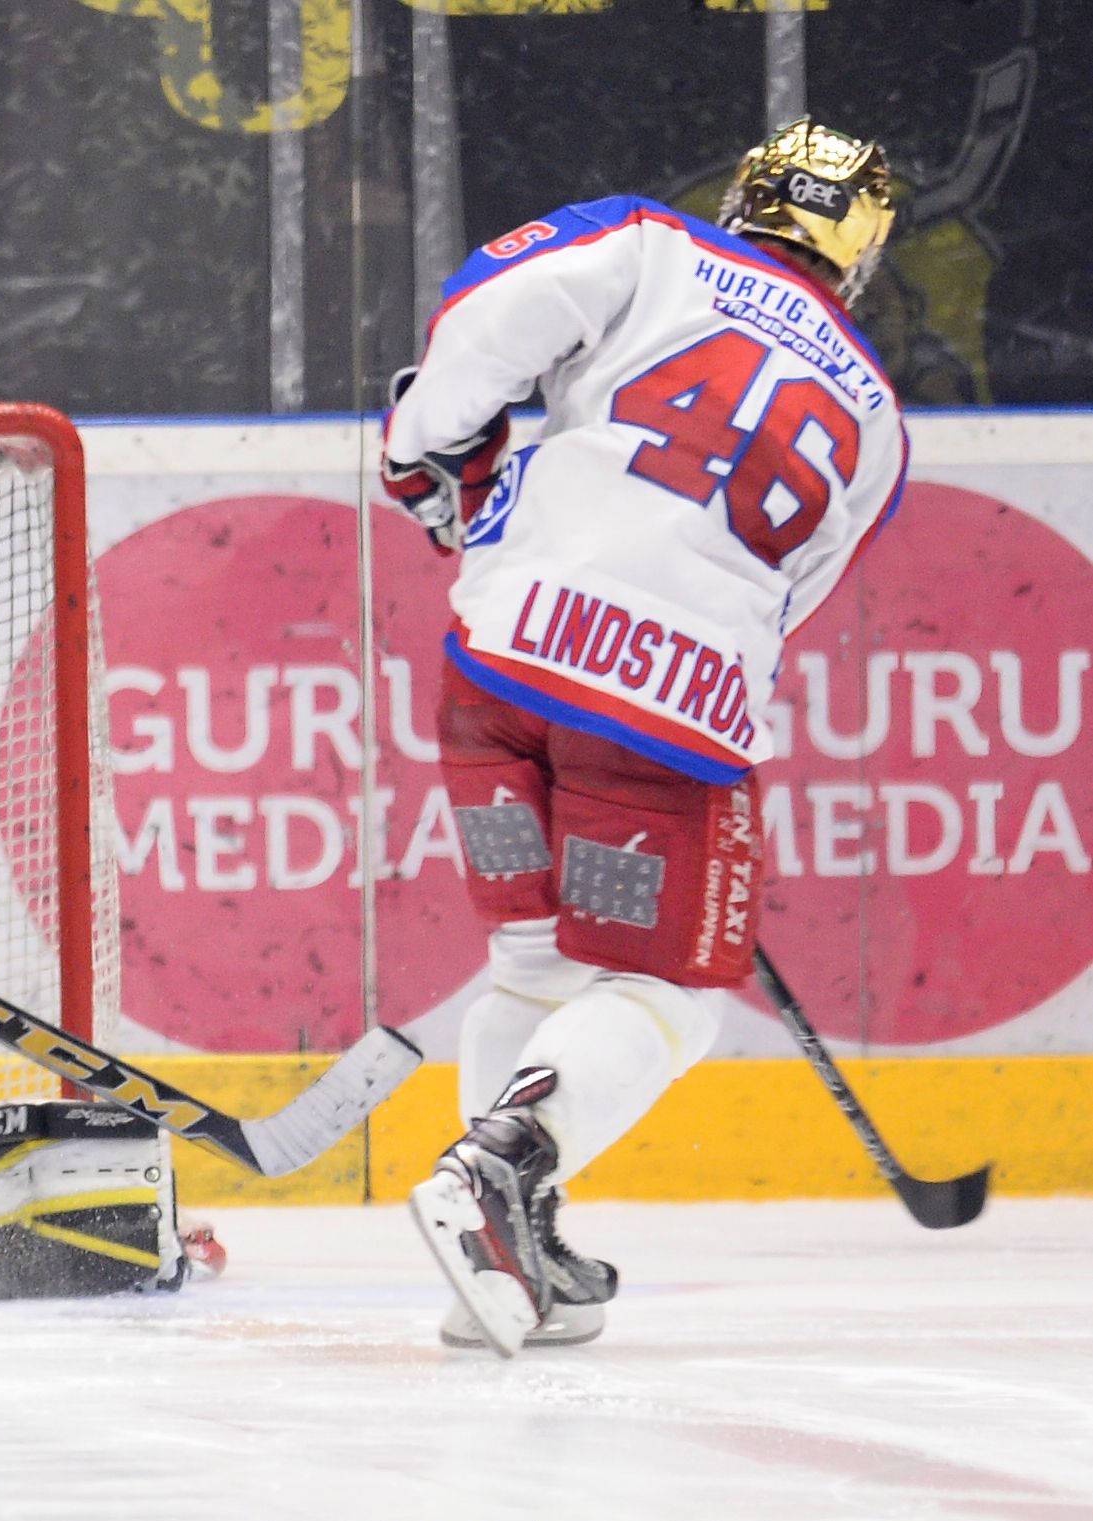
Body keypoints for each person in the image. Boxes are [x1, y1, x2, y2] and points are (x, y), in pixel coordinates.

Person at [381, 118, 906, 1356]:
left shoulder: (649, 241)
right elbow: (788, 603)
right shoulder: (876, 414)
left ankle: (496, 1263)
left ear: (746, 198)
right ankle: (502, 1170)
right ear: (860, 249)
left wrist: (426, 452)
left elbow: (486, 314)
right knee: (668, 993)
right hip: (661, 721)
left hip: (498, 675)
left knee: (531, 963)